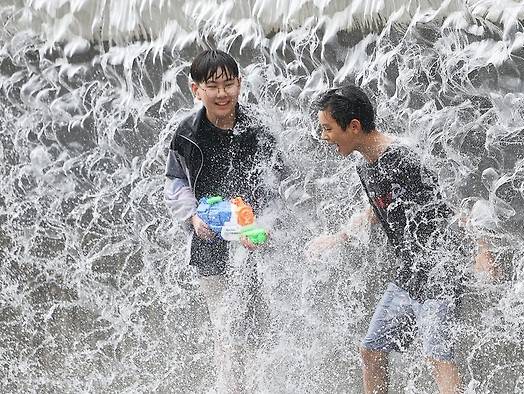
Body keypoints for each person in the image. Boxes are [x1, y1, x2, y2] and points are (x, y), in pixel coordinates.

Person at [306, 85, 496, 394]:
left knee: (438, 356)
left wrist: (481, 250)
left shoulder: (402, 158)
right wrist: (339, 236)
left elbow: (450, 199)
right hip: (411, 272)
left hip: (441, 271)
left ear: (353, 126)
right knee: (371, 350)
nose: (324, 136)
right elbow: (375, 206)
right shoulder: (365, 163)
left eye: (327, 129)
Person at [164, 49, 280, 392]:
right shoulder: (186, 133)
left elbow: (278, 189)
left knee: (258, 330)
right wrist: (193, 217)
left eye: (229, 84)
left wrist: (263, 226)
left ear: (240, 84)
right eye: (213, 86)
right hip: (210, 246)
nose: (222, 93)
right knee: (225, 331)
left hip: (255, 247)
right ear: (195, 89)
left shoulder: (257, 130)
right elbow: (176, 184)